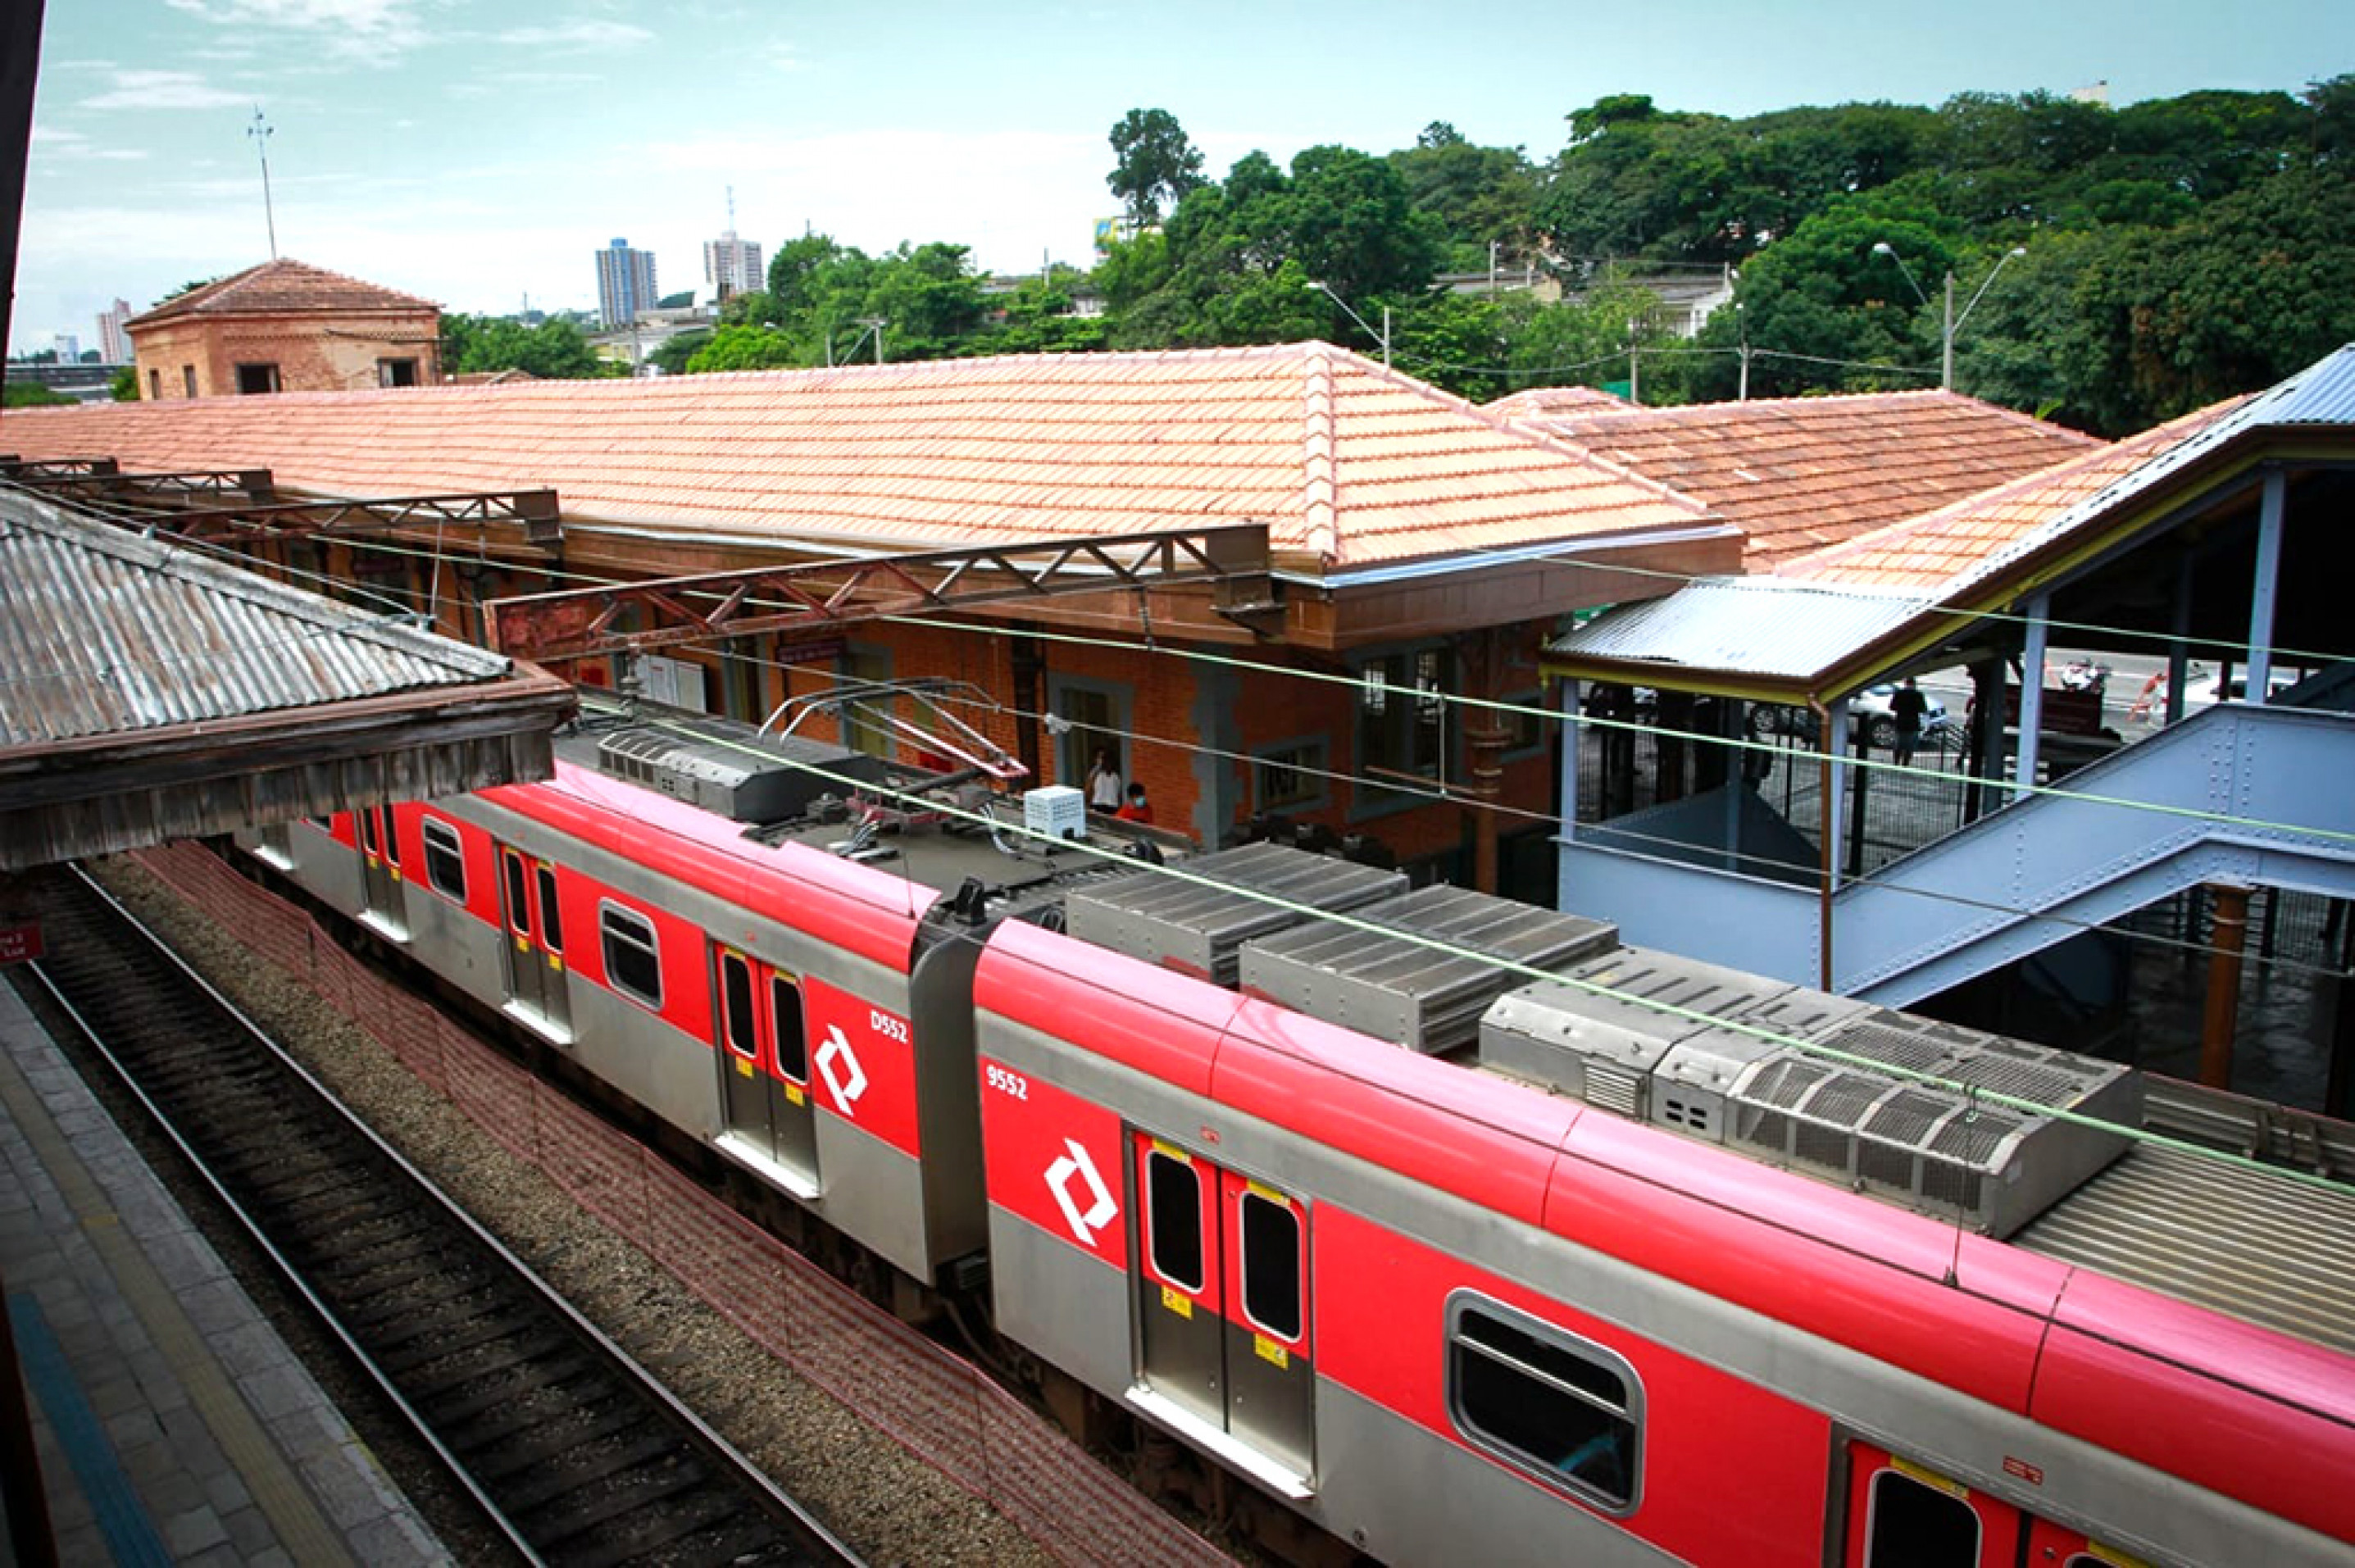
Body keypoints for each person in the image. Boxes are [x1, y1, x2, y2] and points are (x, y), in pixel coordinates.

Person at [1890, 677, 1929, 766]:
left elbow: (1892, 706)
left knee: (1899, 743)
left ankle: (1896, 762)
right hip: (1913, 723)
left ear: (1905, 683)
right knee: (1910, 745)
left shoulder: (1899, 693)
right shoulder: (1918, 694)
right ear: (1914, 684)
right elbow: (1923, 709)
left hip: (1901, 721)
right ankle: (1905, 763)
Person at [1084, 747, 1123, 815]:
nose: (1103, 761)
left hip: (1113, 808)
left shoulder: (1116, 776)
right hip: (1097, 806)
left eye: (1106, 758)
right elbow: (1088, 791)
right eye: (1100, 758)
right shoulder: (1095, 773)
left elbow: (1119, 795)